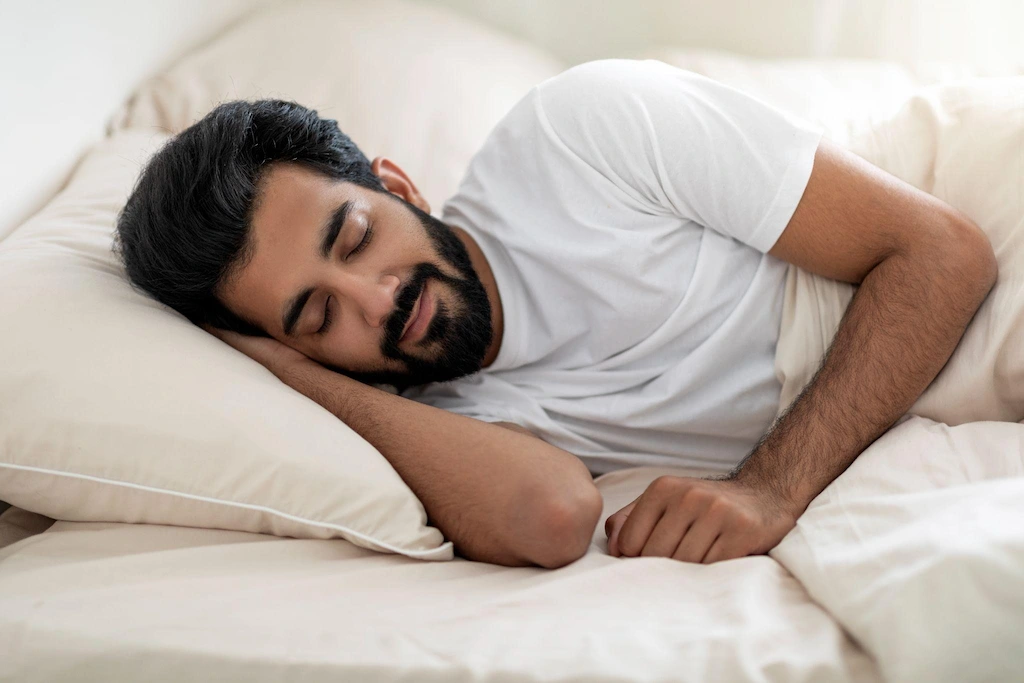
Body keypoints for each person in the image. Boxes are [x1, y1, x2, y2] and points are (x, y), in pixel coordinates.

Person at [114, 59, 996, 569]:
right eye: (315, 317)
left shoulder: (581, 132)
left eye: (356, 237)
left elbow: (943, 254)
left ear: (397, 185)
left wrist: (771, 486)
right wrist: (299, 379)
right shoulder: (442, 428)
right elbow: (551, 516)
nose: (380, 298)